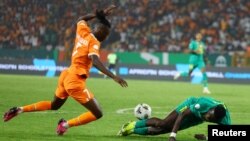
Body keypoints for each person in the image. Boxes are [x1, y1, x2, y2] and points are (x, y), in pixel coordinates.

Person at [3, 5, 128, 136]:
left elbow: (81, 19)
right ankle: (65, 125)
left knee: (54, 105)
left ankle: (19, 110)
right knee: (98, 113)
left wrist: (98, 15)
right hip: (75, 81)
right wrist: (114, 77)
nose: (105, 37)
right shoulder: (94, 42)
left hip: (66, 75)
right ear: (99, 30)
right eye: (105, 33)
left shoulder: (83, 31)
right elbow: (95, 60)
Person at [117, 96, 231, 141]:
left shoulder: (225, 121)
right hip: (189, 106)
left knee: (163, 130)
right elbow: (183, 114)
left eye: (211, 120)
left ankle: (131, 129)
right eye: (209, 116)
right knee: (164, 123)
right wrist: (173, 136)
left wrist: (206, 137)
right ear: (211, 110)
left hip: (196, 118)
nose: (208, 118)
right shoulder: (202, 104)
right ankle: (134, 124)